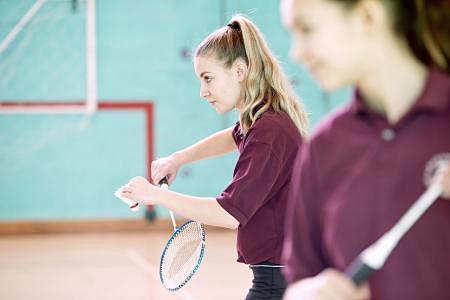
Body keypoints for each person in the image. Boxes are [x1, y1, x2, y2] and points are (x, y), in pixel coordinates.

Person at [121, 15, 308, 299]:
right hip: (280, 272)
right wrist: (178, 159)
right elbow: (233, 135)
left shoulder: (268, 132)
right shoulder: (263, 120)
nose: (202, 91)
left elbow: (229, 213)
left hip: (278, 279)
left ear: (240, 70)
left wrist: (156, 196)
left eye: (208, 78)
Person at [280, 0, 450, 299]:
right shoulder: (322, 148)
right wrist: (307, 293)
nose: (296, 52)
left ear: (368, 16)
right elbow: (298, 281)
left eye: (307, 29)